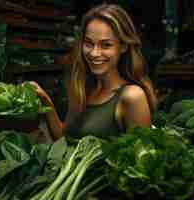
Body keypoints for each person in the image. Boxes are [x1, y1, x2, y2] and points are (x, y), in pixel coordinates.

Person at [30, 3, 157, 141]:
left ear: (123, 46)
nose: (94, 53)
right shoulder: (83, 87)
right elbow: (65, 138)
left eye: (106, 45)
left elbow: (144, 158)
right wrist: (45, 100)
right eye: (88, 43)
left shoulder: (132, 97)